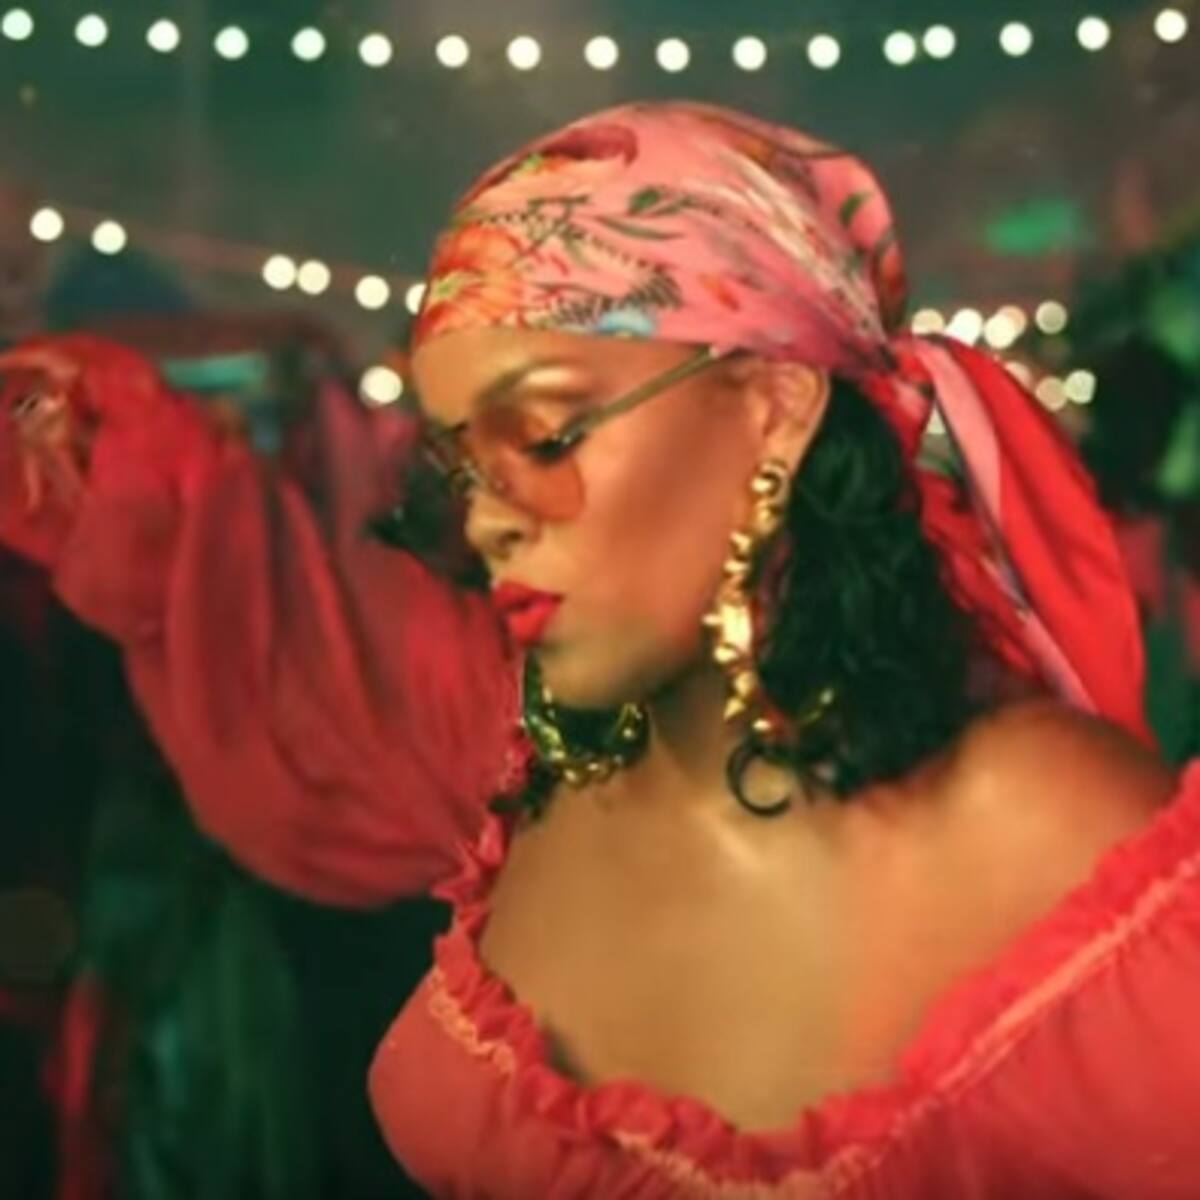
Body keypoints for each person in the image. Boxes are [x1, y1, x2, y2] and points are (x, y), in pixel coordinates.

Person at [1, 102, 1196, 1198]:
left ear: (774, 408)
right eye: (463, 462)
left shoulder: (1049, 829)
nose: (488, 518)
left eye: (544, 434)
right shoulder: (526, 778)